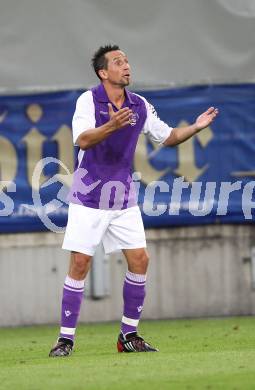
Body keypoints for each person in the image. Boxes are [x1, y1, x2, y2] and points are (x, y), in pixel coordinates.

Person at [49, 44, 218, 357]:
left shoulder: (139, 104)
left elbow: (167, 137)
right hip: (88, 196)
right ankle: (65, 340)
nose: (126, 65)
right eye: (117, 61)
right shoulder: (88, 100)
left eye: (126, 61)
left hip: (123, 198)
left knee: (140, 260)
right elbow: (82, 139)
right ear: (103, 72)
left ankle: (129, 336)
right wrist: (112, 125)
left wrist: (195, 126)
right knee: (80, 263)